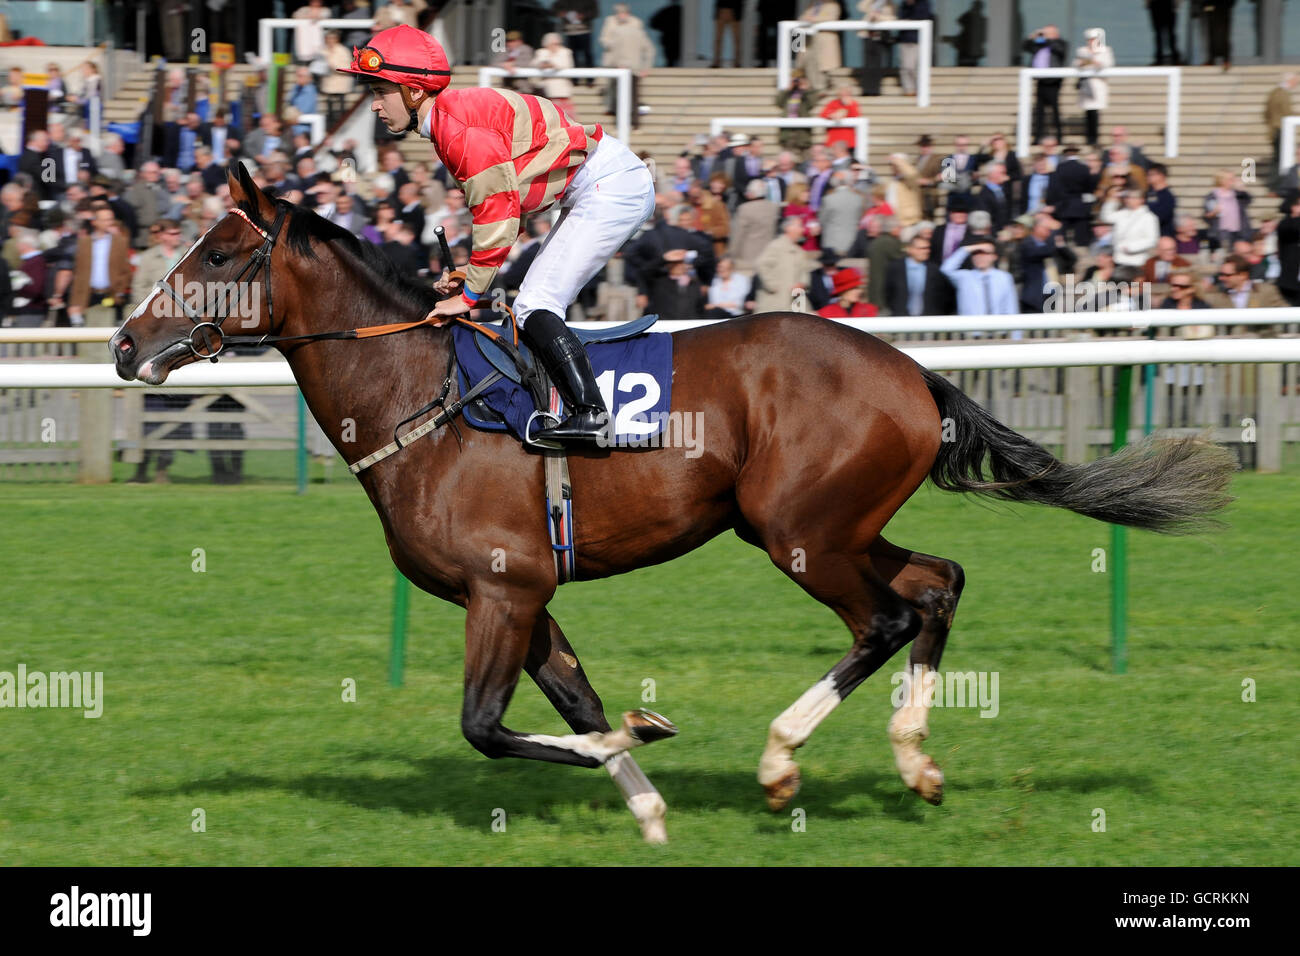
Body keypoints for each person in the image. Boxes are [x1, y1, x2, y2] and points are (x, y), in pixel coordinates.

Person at [340, 24, 656, 445]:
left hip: (609, 186)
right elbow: (508, 205)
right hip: (599, 185)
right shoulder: (449, 121)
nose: (375, 106)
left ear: (415, 91)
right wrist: (473, 278)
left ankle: (591, 414)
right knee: (530, 300)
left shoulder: (457, 129)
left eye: (381, 92)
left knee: (535, 302)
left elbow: (499, 210)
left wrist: (470, 294)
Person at [600, 4, 655, 129]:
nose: (621, 14)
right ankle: (629, 123)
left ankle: (627, 123)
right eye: (619, 12)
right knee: (624, 96)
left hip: (627, 68)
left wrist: (645, 67)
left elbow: (647, 49)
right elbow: (608, 44)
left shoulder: (635, 26)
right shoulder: (611, 23)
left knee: (628, 97)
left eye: (624, 12)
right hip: (622, 67)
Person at [940, 239, 1017, 315]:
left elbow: (1010, 306)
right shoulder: (964, 277)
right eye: (976, 253)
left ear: (994, 256)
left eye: (985, 253)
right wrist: (967, 249)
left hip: (998, 325)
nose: (980, 257)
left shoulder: (1004, 277)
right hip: (970, 326)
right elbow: (945, 270)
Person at [885, 230, 952, 316]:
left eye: (928, 248)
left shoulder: (934, 269)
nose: (927, 251)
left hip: (928, 319)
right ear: (910, 249)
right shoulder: (895, 268)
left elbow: (945, 296)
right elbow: (888, 293)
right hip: (901, 319)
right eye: (922, 248)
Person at [754, 216, 812, 312]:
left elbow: (804, 273)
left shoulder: (800, 252)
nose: (802, 229)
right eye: (800, 226)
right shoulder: (776, 246)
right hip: (774, 303)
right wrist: (772, 285)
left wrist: (802, 284)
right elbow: (761, 264)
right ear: (788, 228)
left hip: (796, 303)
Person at [1100, 189, 1159, 281]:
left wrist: (1131, 247)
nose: (1128, 200)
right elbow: (1106, 217)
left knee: (1134, 290)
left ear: (1141, 200)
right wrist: (1112, 200)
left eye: (1132, 197)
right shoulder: (1123, 213)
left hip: (1137, 261)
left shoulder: (1149, 217)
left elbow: (1152, 240)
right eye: (1127, 197)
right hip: (1119, 259)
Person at [1024, 24, 1067, 143]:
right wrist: (1032, 37)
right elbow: (1026, 47)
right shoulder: (1040, 44)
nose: (1045, 35)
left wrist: (1045, 38)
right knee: (1039, 112)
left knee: (1055, 111)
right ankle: (1038, 137)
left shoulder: (1061, 43)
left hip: (1053, 82)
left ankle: (1059, 137)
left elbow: (1059, 49)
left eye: (1048, 32)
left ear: (1055, 34)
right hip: (1041, 81)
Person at [1203, 254, 1288, 310]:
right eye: (1221, 274)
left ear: (1243, 275)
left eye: (1227, 275)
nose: (1222, 278)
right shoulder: (1218, 294)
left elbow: (1288, 313)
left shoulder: (1266, 291)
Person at [1074, 28, 1113, 147]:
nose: (1091, 42)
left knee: (1095, 113)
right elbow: (1076, 64)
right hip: (1086, 86)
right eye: (1089, 40)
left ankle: (1094, 138)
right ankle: (1089, 137)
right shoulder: (1082, 50)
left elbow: (1107, 64)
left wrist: (1093, 61)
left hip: (1098, 86)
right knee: (1088, 113)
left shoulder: (1106, 50)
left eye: (1094, 39)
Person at [796, 1, 842, 92]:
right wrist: (805, 18)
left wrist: (814, 19)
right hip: (809, 39)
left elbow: (832, 17)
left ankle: (820, 88)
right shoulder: (812, 4)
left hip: (823, 39)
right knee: (808, 62)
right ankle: (812, 87)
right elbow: (802, 16)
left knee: (822, 64)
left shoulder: (833, 5)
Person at [1203, 170, 1252, 252]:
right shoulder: (1213, 196)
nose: (1233, 181)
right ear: (1222, 181)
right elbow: (1206, 217)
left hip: (1239, 231)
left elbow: (1249, 200)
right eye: (1231, 179)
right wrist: (1214, 213)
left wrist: (1242, 190)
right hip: (1222, 232)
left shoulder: (1237, 194)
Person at [857, 0, 896, 97]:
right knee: (867, 64)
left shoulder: (890, 5)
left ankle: (875, 89)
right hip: (867, 35)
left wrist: (879, 17)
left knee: (876, 64)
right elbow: (860, 7)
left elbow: (892, 18)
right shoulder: (870, 3)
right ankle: (866, 89)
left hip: (880, 36)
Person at [532, 33, 576, 118]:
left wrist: (551, 64)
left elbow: (566, 64)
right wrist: (545, 64)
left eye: (557, 44)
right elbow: (535, 63)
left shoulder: (565, 52)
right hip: (544, 90)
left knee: (565, 118)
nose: (555, 46)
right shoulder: (541, 52)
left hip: (561, 90)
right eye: (552, 44)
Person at [554, 0, 599, 77]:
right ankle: (574, 79)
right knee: (572, 56)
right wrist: (561, 13)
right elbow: (555, 8)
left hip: (584, 31)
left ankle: (590, 79)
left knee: (587, 55)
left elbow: (595, 12)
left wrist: (583, 16)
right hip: (569, 32)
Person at [1266, 73, 1298, 178]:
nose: (1296, 84)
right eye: (1296, 81)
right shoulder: (1282, 93)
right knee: (1280, 158)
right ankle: (1276, 185)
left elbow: (1266, 113)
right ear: (1290, 81)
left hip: (1275, 128)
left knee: (1278, 158)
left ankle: (1276, 185)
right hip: (1280, 129)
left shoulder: (1275, 92)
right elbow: (1287, 113)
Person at [819, 86, 860, 153]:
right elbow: (823, 114)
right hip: (834, 140)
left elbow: (856, 116)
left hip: (849, 141)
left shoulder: (853, 104)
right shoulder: (832, 103)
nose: (844, 96)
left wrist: (848, 105)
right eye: (842, 94)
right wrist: (833, 114)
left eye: (846, 94)